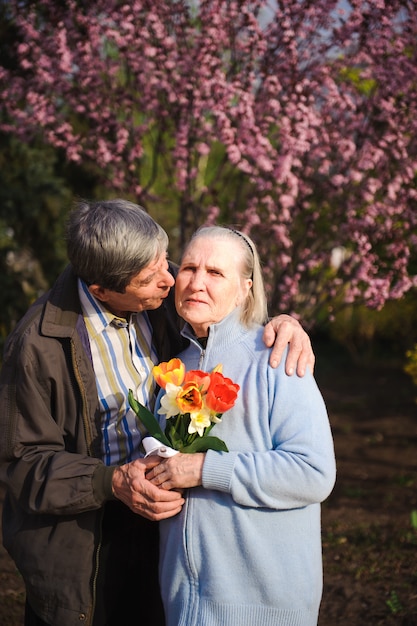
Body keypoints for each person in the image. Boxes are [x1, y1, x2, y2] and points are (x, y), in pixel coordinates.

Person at [0, 200, 315, 626]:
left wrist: (281, 323)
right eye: (153, 277)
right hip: (87, 548)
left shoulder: (162, 306)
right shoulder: (37, 346)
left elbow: (225, 314)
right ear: (102, 291)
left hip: (163, 544)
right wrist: (109, 481)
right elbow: (22, 466)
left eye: (168, 261)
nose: (172, 281)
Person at [147, 226, 336, 626]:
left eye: (215, 273)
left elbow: (313, 472)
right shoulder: (174, 366)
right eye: (190, 268)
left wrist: (203, 469)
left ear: (245, 288)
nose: (197, 282)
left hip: (260, 609)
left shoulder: (278, 359)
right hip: (184, 605)